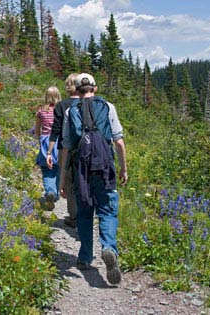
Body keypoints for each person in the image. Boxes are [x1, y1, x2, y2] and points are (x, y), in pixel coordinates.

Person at [59, 73, 128, 285]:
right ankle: (108, 247)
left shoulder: (71, 111)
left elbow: (67, 147)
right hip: (105, 165)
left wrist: (62, 180)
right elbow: (119, 142)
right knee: (107, 210)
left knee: (85, 211)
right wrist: (124, 168)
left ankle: (85, 257)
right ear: (95, 88)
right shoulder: (108, 107)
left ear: (76, 90)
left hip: (82, 168)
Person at [46, 73, 79, 228]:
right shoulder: (88, 103)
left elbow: (55, 130)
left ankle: (74, 216)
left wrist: (49, 151)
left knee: (69, 183)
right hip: (86, 148)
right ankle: (86, 213)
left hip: (64, 148)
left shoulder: (61, 105)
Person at [35, 86, 62, 211]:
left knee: (47, 169)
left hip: (46, 141)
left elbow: (37, 129)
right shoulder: (61, 110)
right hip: (58, 140)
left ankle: (50, 191)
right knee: (58, 168)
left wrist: (40, 139)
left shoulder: (41, 111)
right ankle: (55, 192)